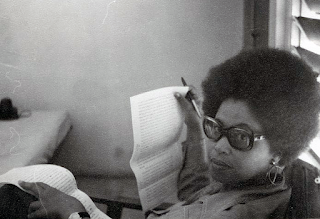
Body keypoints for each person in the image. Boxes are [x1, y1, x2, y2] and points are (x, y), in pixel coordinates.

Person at [1, 48, 320, 219]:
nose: (219, 148)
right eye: (216, 127)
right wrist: (196, 129)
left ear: (280, 148)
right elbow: (198, 188)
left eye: (239, 137)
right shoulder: (253, 180)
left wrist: (75, 215)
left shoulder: (241, 213)